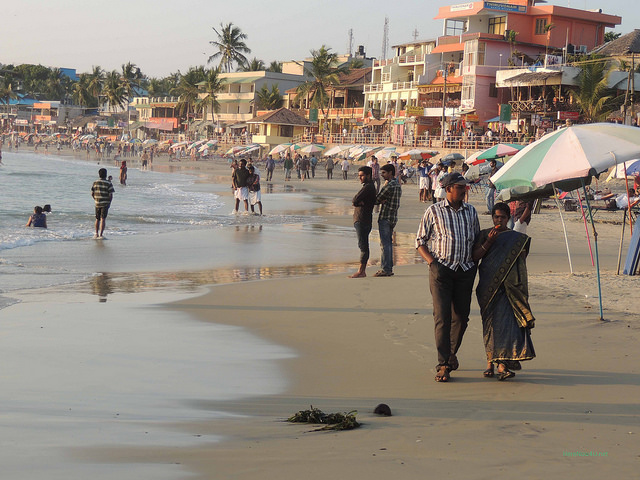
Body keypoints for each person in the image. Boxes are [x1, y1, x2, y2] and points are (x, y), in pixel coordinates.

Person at [416, 172, 480, 382]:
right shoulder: (433, 211)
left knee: (461, 318)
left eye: (465, 187)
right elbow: (420, 241)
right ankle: (443, 363)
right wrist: (432, 264)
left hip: (465, 270)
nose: (464, 190)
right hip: (441, 270)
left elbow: (477, 240)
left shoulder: (471, 211)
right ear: (449, 188)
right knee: (442, 317)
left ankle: (451, 353)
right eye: (461, 187)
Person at [472, 202, 535, 381]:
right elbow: (475, 256)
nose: (499, 220)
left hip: (508, 288)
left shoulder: (515, 238)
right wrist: (489, 242)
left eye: (503, 217)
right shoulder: (484, 234)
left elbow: (521, 262)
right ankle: (488, 363)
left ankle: (501, 365)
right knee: (489, 324)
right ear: (492, 217)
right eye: (496, 217)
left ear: (509, 218)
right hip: (487, 286)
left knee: (505, 326)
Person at [374, 164, 402, 277]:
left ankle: (386, 268)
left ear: (390, 172)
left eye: (384, 173)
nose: (382, 175)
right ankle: (388, 267)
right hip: (393, 217)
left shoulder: (389, 186)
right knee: (388, 243)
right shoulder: (398, 185)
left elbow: (377, 200)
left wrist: (382, 200)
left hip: (385, 216)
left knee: (385, 244)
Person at [349, 166, 377, 278]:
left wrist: (358, 203)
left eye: (362, 175)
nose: (360, 177)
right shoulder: (368, 187)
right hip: (364, 219)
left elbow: (355, 199)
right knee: (363, 245)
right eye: (359, 175)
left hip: (362, 219)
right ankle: (361, 270)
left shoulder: (368, 187)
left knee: (363, 245)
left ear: (368, 175)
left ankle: (362, 271)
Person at [91, 168, 115, 239]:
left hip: (97, 203)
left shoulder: (95, 182)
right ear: (106, 174)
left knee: (97, 219)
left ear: (99, 174)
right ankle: (101, 235)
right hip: (105, 203)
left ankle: (96, 234)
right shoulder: (108, 183)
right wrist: (109, 203)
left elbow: (92, 193)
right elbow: (111, 195)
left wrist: (95, 199)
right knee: (103, 219)